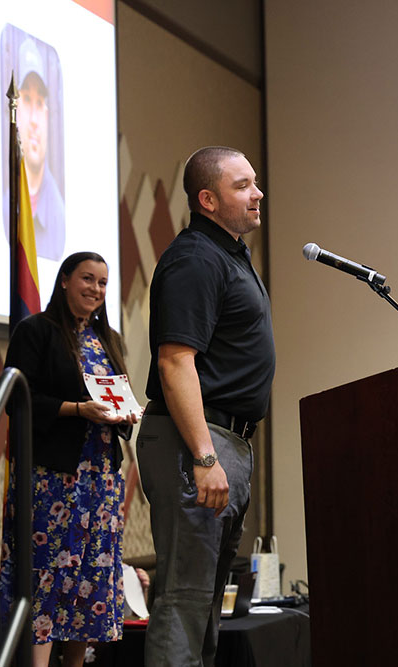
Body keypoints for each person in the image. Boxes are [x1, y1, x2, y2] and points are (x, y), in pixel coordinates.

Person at [138, 145, 274, 667]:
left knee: (205, 602)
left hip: (224, 439)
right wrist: (204, 455)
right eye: (242, 186)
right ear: (208, 199)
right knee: (185, 597)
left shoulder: (229, 253)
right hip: (197, 441)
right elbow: (175, 362)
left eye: (255, 182)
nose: (257, 193)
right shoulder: (196, 257)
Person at [0, 252, 136, 667]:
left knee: (89, 583)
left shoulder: (108, 339)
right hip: (52, 480)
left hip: (102, 483)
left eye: (103, 282)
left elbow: (112, 399)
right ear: (63, 281)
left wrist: (125, 414)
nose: (95, 289)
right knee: (46, 579)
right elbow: (16, 400)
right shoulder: (36, 331)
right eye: (87, 279)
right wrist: (77, 409)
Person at [17, 37, 65, 260]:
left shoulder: (59, 216)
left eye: (39, 102)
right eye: (26, 99)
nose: (34, 120)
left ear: (47, 114)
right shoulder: (7, 204)